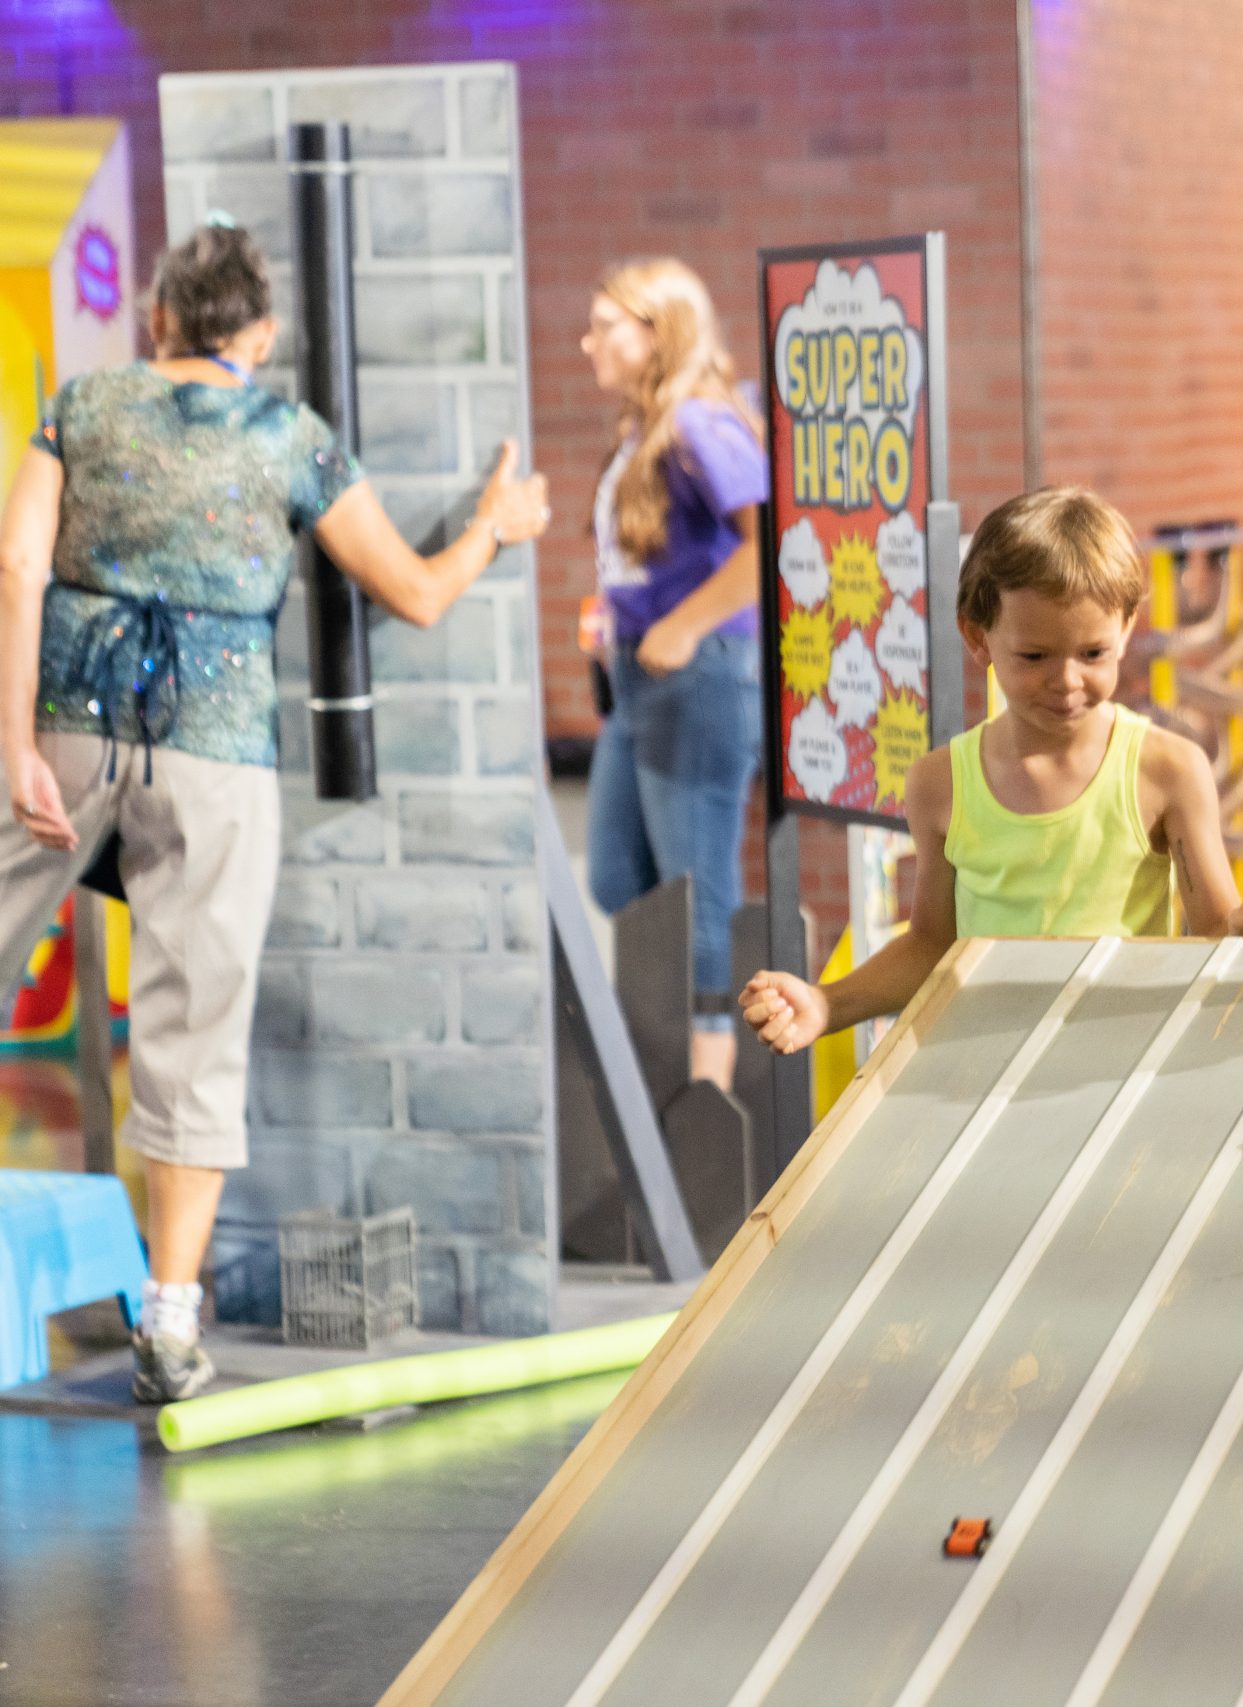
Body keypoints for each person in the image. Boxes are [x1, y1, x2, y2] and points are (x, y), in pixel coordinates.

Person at [0, 221, 549, 1402]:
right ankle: (170, 1320)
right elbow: (410, 591)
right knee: (194, 1026)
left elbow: (15, 566)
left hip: (67, 731)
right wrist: (493, 529)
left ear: (156, 319)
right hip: (216, 755)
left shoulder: (84, 405)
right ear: (258, 333)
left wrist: (13, 748)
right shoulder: (290, 437)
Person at [738, 487, 1243, 1052]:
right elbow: (932, 945)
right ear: (977, 637)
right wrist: (827, 1003)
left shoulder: (1166, 769)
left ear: (1127, 627)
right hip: (984, 1071)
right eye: (1034, 656)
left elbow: (1213, 932)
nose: (1066, 680)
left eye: (1093, 653)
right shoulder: (941, 784)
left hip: (1121, 1069)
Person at [579, 257, 767, 1094]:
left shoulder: (699, 422)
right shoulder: (648, 428)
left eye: (605, 326)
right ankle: (670, 1076)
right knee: (617, 875)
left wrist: (685, 625)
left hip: (700, 677)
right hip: (639, 680)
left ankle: (709, 1089)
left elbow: (773, 546)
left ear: (656, 331)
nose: (588, 343)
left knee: (696, 890)